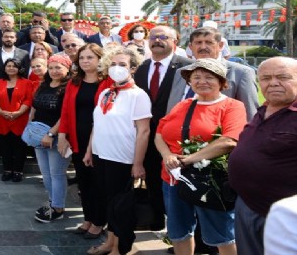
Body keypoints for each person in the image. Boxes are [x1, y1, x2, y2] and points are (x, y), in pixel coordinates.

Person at [155, 58, 246, 255]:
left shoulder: (232, 106)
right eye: (196, 77)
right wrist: (167, 154)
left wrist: (188, 159)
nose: (202, 81)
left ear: (222, 82)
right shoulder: (183, 105)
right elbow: (160, 133)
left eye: (209, 77)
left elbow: (230, 140)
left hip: (210, 180)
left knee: (222, 232)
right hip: (173, 178)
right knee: (179, 231)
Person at [229, 57, 297, 255]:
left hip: (285, 216)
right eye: (266, 78)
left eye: (283, 77)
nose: (273, 83)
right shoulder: (263, 109)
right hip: (247, 204)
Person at [84, 47, 151, 255]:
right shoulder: (106, 92)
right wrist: (89, 150)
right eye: (113, 64)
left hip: (122, 159)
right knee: (108, 203)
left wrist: (138, 163)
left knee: (121, 207)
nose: (116, 68)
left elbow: (143, 131)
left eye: (122, 64)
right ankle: (109, 242)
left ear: (132, 68)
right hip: (101, 155)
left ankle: (120, 248)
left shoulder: (138, 95)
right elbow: (97, 123)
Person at [134, 25, 193, 231]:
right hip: (147, 134)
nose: (157, 40)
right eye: (153, 37)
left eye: (163, 37)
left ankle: (182, 228)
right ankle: (157, 219)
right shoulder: (142, 68)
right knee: (152, 177)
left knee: (178, 181)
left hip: (176, 137)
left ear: (174, 42)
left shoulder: (187, 67)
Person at [59, 43, 111, 238]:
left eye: (90, 57)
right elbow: (65, 110)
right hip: (77, 138)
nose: (85, 61)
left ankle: (99, 221)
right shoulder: (74, 82)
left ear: (99, 59)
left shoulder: (108, 82)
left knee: (99, 183)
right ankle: (88, 218)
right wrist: (63, 135)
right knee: (84, 182)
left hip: (101, 140)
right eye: (82, 58)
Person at [168, 27, 258, 120]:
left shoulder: (241, 73)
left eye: (209, 42)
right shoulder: (181, 72)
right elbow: (172, 106)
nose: (203, 47)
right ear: (191, 47)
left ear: (220, 45)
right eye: (198, 43)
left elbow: (250, 114)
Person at [31, 54, 72, 223]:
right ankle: (53, 201)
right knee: (46, 174)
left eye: (59, 67)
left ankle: (58, 207)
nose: (54, 71)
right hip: (38, 135)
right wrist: (30, 128)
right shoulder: (44, 84)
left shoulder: (69, 86)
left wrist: (51, 134)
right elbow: (34, 107)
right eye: (52, 67)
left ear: (67, 69)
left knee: (57, 174)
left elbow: (66, 114)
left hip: (56, 136)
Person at [0, 58, 32, 182]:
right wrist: (1, 112)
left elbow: (28, 100)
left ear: (19, 68)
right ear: (4, 68)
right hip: (2, 118)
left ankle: (18, 171)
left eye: (14, 66)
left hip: (20, 119)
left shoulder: (27, 83)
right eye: (8, 66)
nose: (11, 68)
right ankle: (7, 170)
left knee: (20, 147)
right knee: (5, 147)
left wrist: (18, 113)